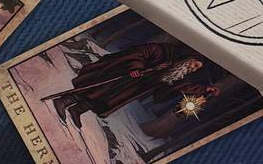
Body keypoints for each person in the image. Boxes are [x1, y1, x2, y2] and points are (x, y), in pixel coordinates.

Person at [48, 40, 220, 130]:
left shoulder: (177, 71)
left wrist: (203, 89)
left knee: (106, 100)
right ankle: (64, 101)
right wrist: (135, 67)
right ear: (189, 57)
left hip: (134, 87)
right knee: (98, 90)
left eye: (196, 69)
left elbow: (179, 86)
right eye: (194, 64)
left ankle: (77, 110)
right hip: (122, 74)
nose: (192, 69)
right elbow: (140, 52)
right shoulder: (162, 51)